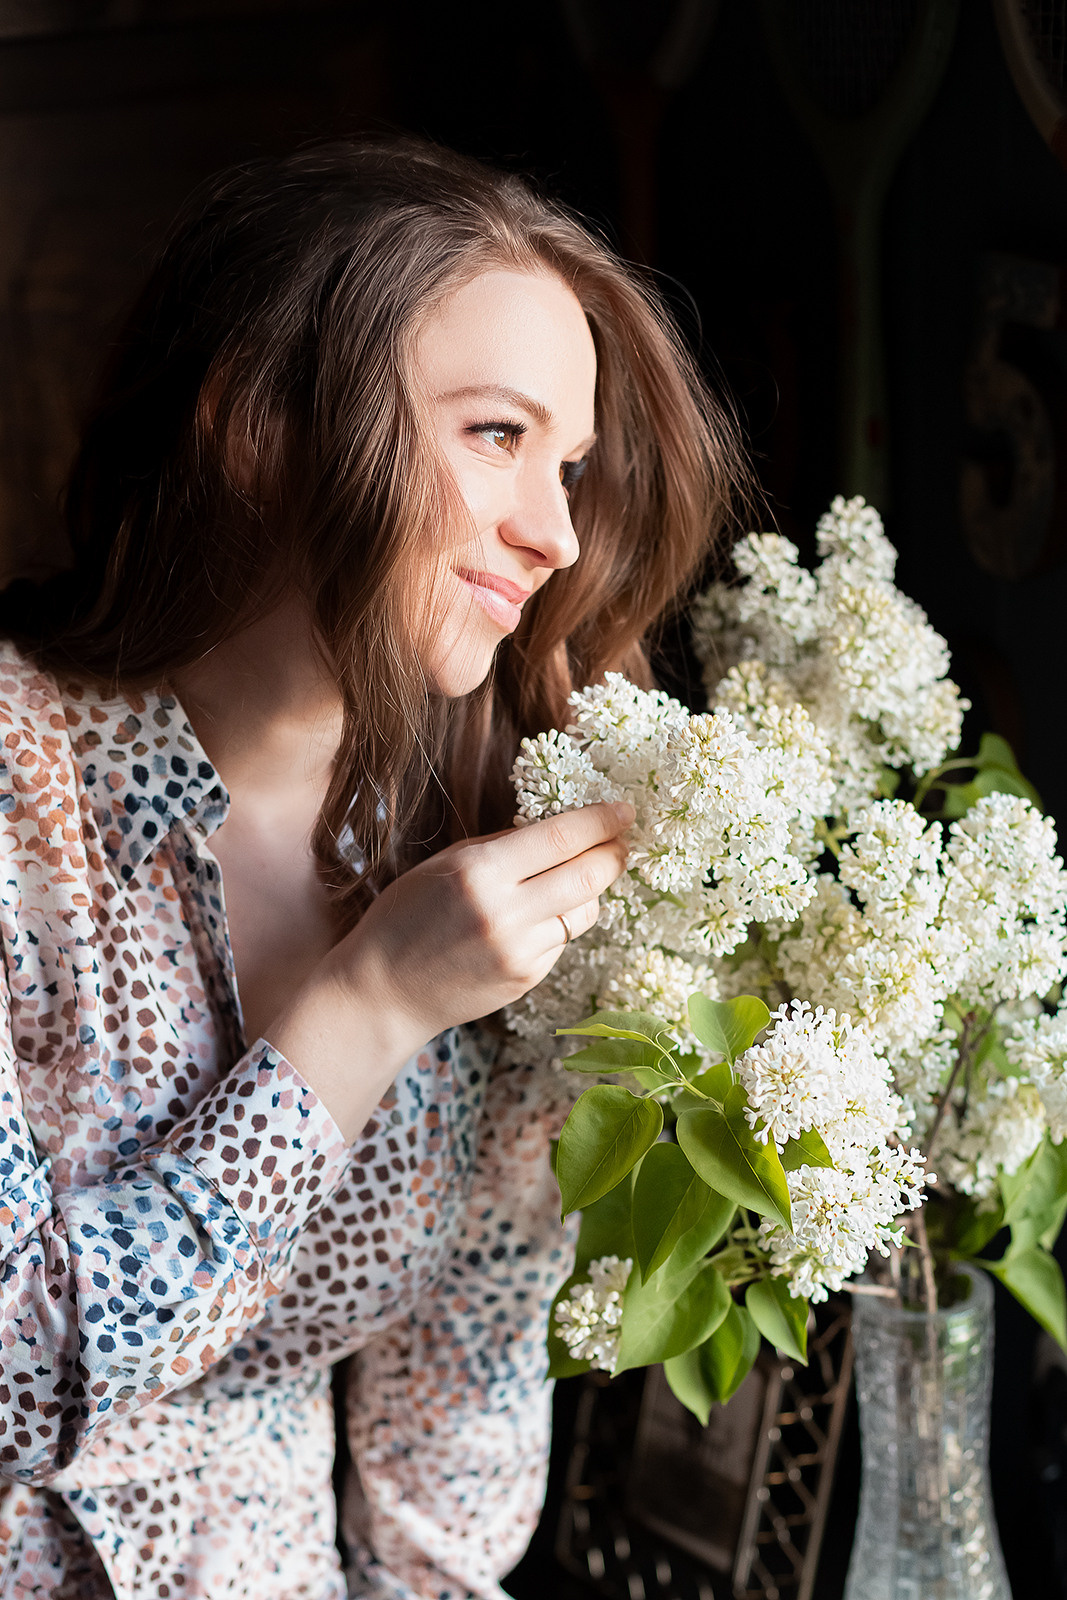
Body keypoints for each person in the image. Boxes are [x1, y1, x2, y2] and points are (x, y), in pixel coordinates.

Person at [0, 137, 744, 1599]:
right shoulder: (19, 791)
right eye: (493, 436)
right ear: (256, 426)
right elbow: (18, 1385)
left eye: (572, 464)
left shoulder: (482, 824)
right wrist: (366, 1011)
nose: (552, 534)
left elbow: (460, 1400)